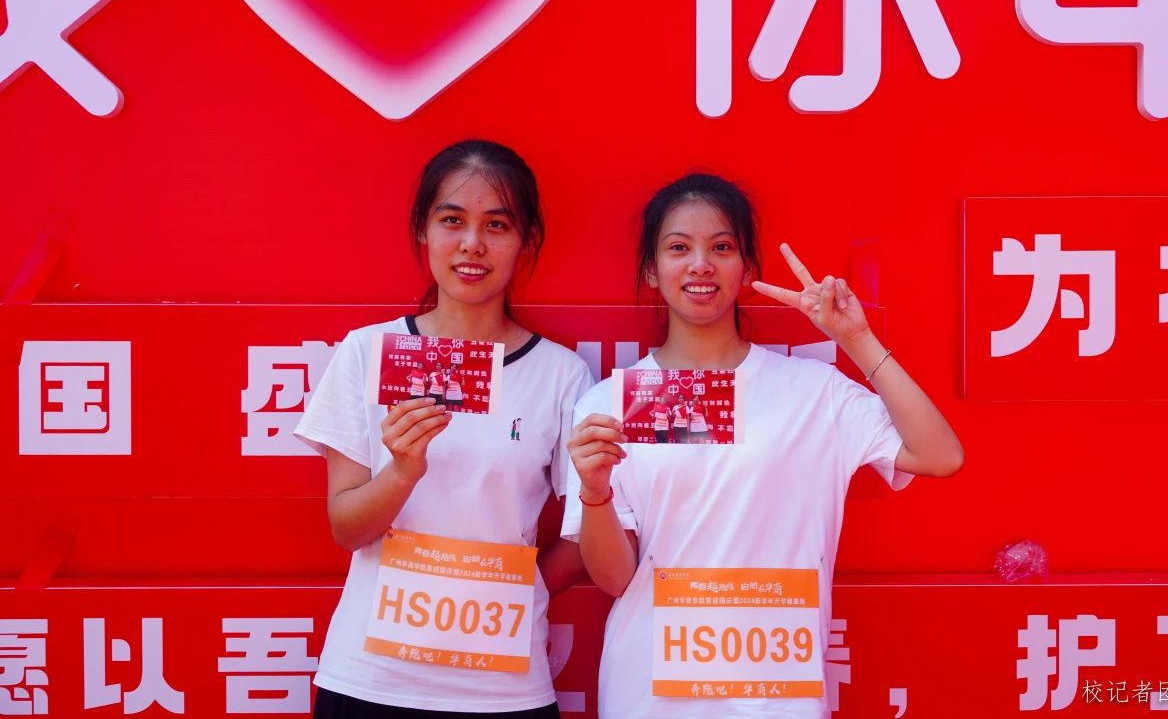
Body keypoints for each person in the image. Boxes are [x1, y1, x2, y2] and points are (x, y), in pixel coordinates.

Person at [562, 173, 964, 718]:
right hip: (651, 694)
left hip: (778, 698)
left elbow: (941, 456)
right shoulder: (608, 405)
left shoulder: (814, 391)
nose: (700, 264)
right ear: (651, 271)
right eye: (678, 248)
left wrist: (856, 339)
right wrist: (594, 492)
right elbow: (614, 579)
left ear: (748, 269)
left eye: (721, 248)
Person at [295, 139, 593, 719]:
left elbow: (585, 536)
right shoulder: (368, 352)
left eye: (497, 225)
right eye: (452, 220)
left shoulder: (562, 374)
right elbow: (346, 527)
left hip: (504, 689)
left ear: (527, 241)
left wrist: (507, 588)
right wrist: (402, 471)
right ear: (422, 231)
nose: (472, 244)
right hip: (371, 679)